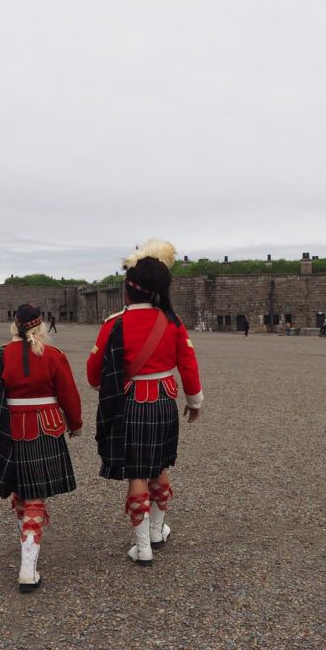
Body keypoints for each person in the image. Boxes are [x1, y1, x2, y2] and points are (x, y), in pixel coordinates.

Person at [87, 240, 203, 566]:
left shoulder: (113, 324)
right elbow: (189, 366)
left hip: (131, 404)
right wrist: (194, 402)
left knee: (137, 471)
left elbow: (94, 375)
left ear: (129, 291)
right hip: (164, 402)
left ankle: (143, 547)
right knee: (161, 466)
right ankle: (156, 531)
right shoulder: (173, 322)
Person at [0, 303, 82, 592]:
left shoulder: (0, 355)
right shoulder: (54, 355)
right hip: (47, 427)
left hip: (10, 428)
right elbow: (69, 394)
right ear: (40, 327)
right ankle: (28, 568)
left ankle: (27, 552)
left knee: (21, 490)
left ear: (14, 325)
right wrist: (75, 424)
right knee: (36, 496)